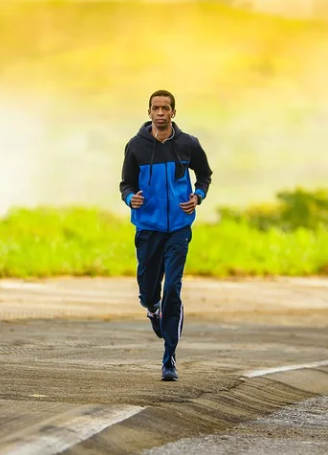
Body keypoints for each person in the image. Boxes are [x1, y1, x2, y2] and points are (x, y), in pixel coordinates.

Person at [119, 89, 213, 381]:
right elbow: (125, 184)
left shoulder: (188, 144)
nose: (160, 113)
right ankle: (152, 308)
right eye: (155, 108)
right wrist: (130, 197)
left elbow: (205, 175)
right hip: (148, 228)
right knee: (149, 291)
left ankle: (169, 357)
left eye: (165, 108)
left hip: (179, 229)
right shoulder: (135, 147)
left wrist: (197, 196)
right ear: (149, 112)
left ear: (174, 112)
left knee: (173, 287)